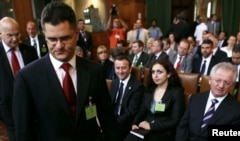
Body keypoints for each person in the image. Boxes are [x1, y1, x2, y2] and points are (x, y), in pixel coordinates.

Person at [13, 2, 119, 141]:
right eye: (52, 39)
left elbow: (108, 120)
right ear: (44, 35)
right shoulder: (27, 77)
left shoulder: (95, 71)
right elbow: (24, 133)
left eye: (65, 38)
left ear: (76, 34)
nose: (59, 46)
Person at [176, 62, 240, 141]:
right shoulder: (195, 99)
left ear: (232, 85)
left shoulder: (239, 111)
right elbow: (182, 126)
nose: (221, 86)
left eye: (226, 82)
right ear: (210, 80)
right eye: (218, 80)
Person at [125, 58, 185, 141]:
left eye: (159, 72)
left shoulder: (176, 92)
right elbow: (141, 111)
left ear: (168, 74)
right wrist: (135, 123)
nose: (155, 75)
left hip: (163, 131)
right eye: (153, 72)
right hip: (145, 128)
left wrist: (151, 126)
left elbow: (175, 120)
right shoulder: (149, 89)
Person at [0, 17, 38, 141]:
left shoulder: (30, 51)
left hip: (34, 112)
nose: (15, 38)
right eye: (10, 35)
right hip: (9, 113)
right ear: (1, 34)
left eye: (17, 34)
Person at [110, 55, 145, 140]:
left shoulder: (137, 87)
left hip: (126, 123)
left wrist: (113, 123)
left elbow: (131, 112)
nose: (120, 71)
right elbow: (109, 104)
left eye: (123, 68)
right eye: (117, 68)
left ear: (130, 69)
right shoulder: (114, 82)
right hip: (112, 120)